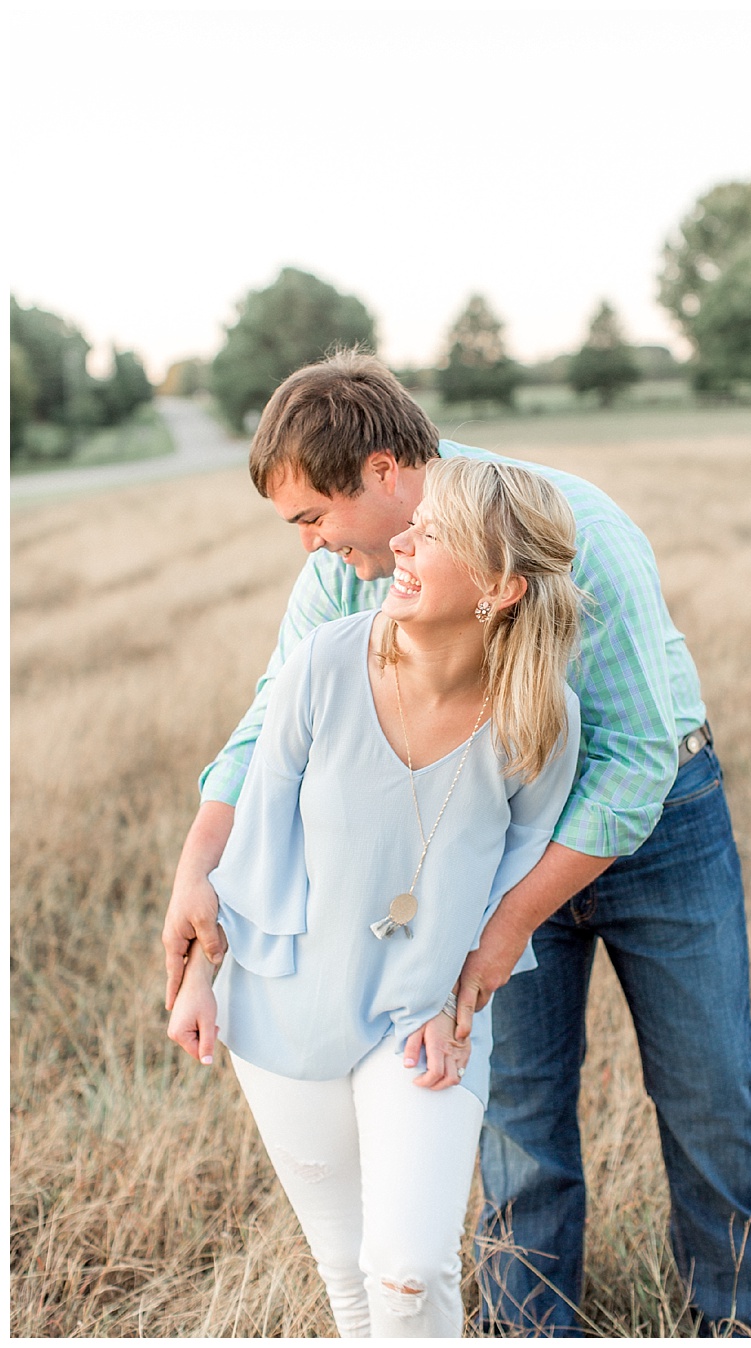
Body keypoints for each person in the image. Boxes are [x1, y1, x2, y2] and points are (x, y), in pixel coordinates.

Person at [160, 352, 751, 1337]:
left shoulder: (574, 532)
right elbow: (267, 727)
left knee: (709, 1095)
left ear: (379, 471)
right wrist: (198, 867)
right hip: (481, 846)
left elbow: (629, 769)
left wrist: (498, 935)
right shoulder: (346, 580)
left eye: (313, 517)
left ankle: (744, 1325)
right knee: (519, 1121)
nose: (313, 546)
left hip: (659, 827)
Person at [167, 456, 584, 1336]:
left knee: (406, 1268)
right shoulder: (322, 663)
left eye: (430, 534)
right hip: (283, 1004)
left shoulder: (540, 715)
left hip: (421, 1018)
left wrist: (457, 989)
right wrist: (203, 976)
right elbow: (258, 839)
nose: (401, 539)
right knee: (349, 1275)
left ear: (500, 589)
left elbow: (518, 868)